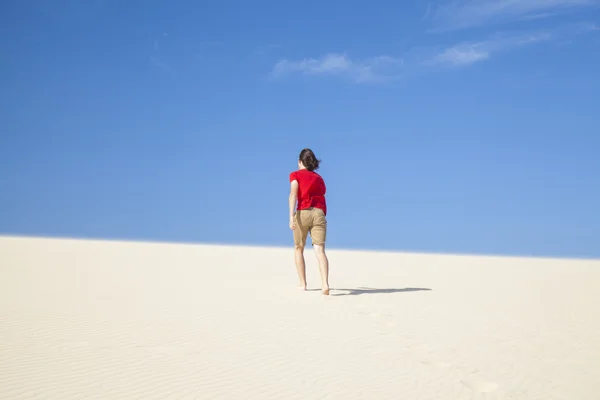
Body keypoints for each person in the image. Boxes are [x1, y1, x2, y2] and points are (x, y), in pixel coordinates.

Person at [288, 148, 330, 295]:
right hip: (318, 213)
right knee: (320, 250)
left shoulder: (295, 175)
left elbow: (293, 194)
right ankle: (325, 284)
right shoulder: (319, 179)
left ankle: (303, 283)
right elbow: (323, 193)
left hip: (303, 212)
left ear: (300, 161)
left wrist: (291, 216)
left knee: (299, 248)